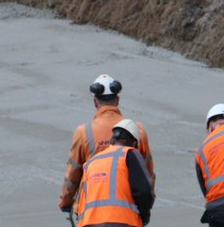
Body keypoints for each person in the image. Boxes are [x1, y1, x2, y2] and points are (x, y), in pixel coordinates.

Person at [58, 74, 155, 215]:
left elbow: (73, 174)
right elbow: (148, 174)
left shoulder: (84, 132)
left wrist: (65, 201)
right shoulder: (137, 130)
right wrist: (145, 208)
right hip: (127, 209)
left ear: (95, 102)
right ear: (118, 100)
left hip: (91, 208)